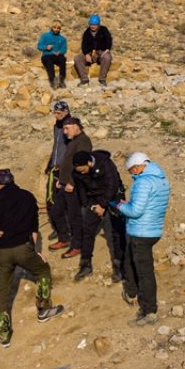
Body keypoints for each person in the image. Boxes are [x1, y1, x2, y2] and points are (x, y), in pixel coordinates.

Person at [0, 169, 65, 347]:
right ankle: (44, 310)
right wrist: (34, 251)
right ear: (13, 180)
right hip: (23, 248)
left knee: (0, 291)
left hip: (0, 250)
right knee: (42, 270)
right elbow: (34, 229)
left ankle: (4, 334)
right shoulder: (27, 197)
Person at [112, 153, 172, 326]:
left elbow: (135, 211)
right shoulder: (162, 179)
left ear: (138, 167)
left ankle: (149, 311)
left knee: (145, 273)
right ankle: (131, 293)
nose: (132, 175)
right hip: (153, 230)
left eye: (131, 171)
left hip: (141, 232)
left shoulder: (142, 182)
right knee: (130, 261)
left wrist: (119, 204)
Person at [71, 150, 125, 282]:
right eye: (79, 171)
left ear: (89, 163)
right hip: (93, 200)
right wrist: (90, 206)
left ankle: (120, 267)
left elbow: (112, 186)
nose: (81, 173)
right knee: (87, 231)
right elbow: (81, 191)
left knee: (117, 232)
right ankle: (85, 265)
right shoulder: (77, 173)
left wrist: (103, 205)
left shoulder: (106, 164)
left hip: (113, 197)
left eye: (83, 170)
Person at [50, 116, 92, 258]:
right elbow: (67, 163)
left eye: (67, 128)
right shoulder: (73, 141)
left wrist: (72, 183)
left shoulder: (84, 141)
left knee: (75, 217)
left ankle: (77, 246)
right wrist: (61, 180)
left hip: (73, 186)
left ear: (75, 126)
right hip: (64, 184)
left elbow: (81, 165)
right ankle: (64, 239)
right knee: (56, 212)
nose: (65, 132)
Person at [45, 101, 73, 243]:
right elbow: (56, 147)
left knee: (63, 204)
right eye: (54, 113)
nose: (56, 116)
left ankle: (67, 232)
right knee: (50, 202)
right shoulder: (57, 126)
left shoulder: (71, 127)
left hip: (65, 171)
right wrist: (50, 164)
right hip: (54, 169)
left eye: (59, 113)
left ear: (66, 111)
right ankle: (58, 229)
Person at [73, 15, 113, 86]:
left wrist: (107, 50)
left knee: (107, 58)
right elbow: (84, 45)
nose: (92, 26)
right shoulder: (87, 32)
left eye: (95, 25)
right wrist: (86, 54)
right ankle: (84, 79)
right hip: (90, 53)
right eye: (91, 24)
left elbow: (109, 40)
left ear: (98, 24)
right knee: (77, 58)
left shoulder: (104, 30)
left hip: (101, 52)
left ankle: (102, 80)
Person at [36, 21, 68, 88]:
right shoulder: (45, 36)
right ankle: (52, 80)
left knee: (63, 59)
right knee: (49, 61)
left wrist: (60, 52)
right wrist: (46, 47)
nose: (56, 29)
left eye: (58, 28)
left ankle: (61, 79)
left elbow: (64, 49)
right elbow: (39, 46)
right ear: (52, 27)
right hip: (47, 55)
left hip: (57, 55)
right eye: (54, 27)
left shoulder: (62, 39)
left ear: (60, 29)